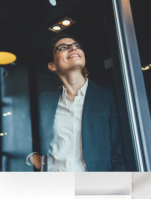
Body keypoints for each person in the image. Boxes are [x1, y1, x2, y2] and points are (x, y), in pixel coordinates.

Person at [26, 34, 126, 172]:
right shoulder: (44, 101)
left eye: (76, 46)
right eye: (63, 47)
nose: (73, 48)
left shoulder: (108, 97)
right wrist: (33, 157)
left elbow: (121, 154)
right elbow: (21, 134)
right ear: (52, 66)